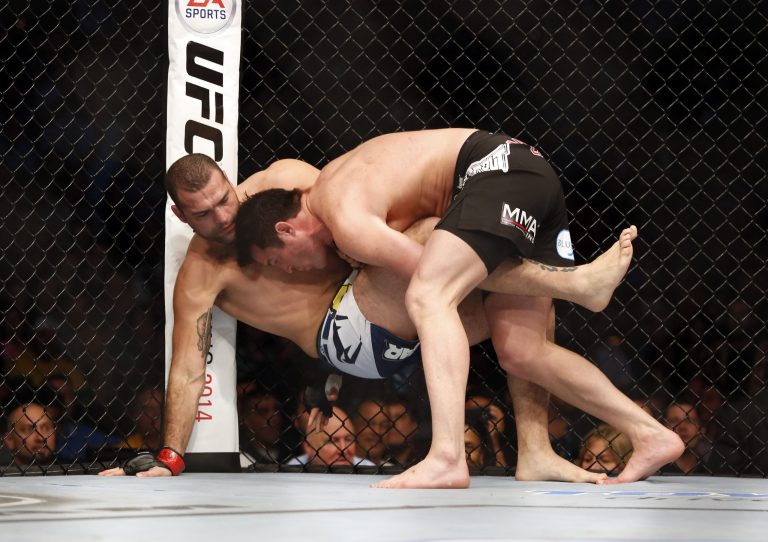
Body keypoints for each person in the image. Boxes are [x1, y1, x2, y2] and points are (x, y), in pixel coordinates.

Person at [101, 154, 627, 481]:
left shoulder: (283, 180)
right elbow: (189, 368)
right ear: (180, 215)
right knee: (430, 242)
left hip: (386, 300)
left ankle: (542, 447)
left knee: (511, 313)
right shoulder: (202, 273)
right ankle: (571, 281)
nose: (223, 216)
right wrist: (170, 455)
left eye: (223, 198)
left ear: (229, 179)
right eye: (204, 212)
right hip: (346, 335)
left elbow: (350, 210)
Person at [236, 128, 684, 487]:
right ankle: (648, 434)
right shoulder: (338, 184)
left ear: (287, 229)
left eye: (277, 261)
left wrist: (563, 284)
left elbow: (432, 271)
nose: (289, 272)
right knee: (522, 351)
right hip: (522, 174)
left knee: (430, 295)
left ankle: (448, 456)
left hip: (495, 173)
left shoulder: (347, 222)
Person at [285, 406, 374, 467]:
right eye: (332, 441)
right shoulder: (294, 468)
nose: (343, 449)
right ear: (309, 446)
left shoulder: (368, 469)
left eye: (348, 440)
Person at [3, 400, 58, 470]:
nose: (41, 438)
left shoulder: (72, 469)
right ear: (9, 440)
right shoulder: (3, 476)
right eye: (28, 430)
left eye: (46, 428)